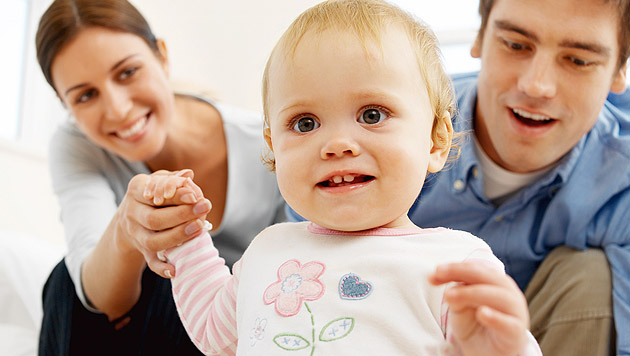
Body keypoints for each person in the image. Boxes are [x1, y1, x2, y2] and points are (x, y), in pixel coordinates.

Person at [148, 0, 542, 354]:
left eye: (372, 115)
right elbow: (214, 333)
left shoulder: (455, 264)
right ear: (272, 147)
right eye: (305, 123)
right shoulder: (268, 250)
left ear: (436, 140)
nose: (336, 145)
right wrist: (185, 237)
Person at [34, 0, 285, 355]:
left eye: (127, 72)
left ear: (162, 56)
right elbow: (99, 298)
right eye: (86, 96)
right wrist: (127, 228)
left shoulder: (269, 145)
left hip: (243, 321)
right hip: (154, 321)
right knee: (66, 280)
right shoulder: (75, 145)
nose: (118, 109)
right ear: (66, 106)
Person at [402, 0, 630, 355]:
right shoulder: (395, 126)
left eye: (579, 60)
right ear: (479, 38)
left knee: (592, 276)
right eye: (516, 45)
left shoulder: (622, 184)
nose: (537, 85)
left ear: (619, 71)